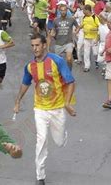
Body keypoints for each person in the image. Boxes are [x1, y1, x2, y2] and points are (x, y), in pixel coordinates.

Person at [13, 33, 76, 185]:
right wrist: (17, 101)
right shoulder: (30, 67)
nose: (35, 48)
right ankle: (40, 176)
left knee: (59, 141)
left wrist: (67, 103)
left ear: (44, 45)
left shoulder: (57, 61)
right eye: (32, 45)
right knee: (41, 140)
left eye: (37, 45)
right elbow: (25, 84)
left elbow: (70, 81)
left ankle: (62, 134)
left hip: (58, 108)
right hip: (40, 109)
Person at [51, 2, 79, 70]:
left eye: (64, 10)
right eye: (62, 10)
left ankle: (69, 71)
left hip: (68, 42)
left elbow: (77, 26)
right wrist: (52, 33)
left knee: (69, 59)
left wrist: (75, 32)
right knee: (57, 62)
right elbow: (53, 30)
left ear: (67, 11)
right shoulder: (56, 20)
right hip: (59, 43)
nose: (63, 12)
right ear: (59, 11)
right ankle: (59, 74)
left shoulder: (71, 19)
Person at [79, 4, 99, 72]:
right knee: (86, 53)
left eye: (84, 10)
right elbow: (82, 24)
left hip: (94, 38)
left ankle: (97, 61)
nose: (83, 11)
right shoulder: (84, 17)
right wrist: (78, 28)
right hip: (86, 38)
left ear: (87, 10)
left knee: (95, 53)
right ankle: (87, 66)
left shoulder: (94, 17)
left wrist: (93, 30)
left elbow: (99, 27)